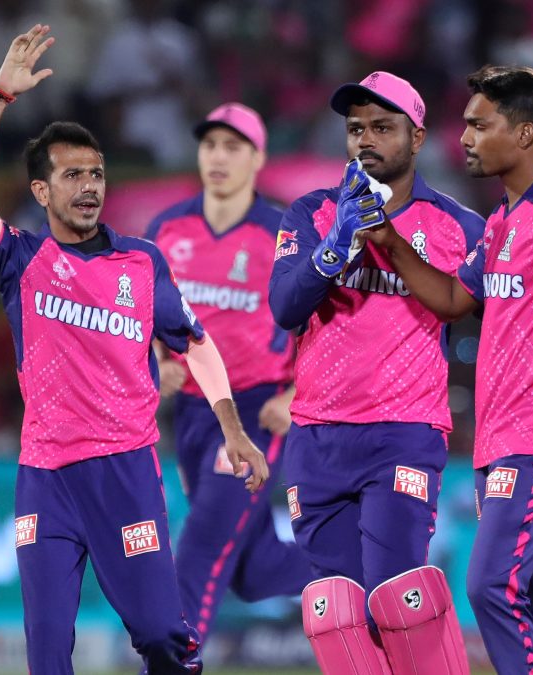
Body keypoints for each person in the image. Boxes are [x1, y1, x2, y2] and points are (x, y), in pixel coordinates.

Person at [0, 25, 268, 675]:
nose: (89, 185)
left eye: (96, 173)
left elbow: (197, 346)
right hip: (45, 478)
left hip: (125, 472)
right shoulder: (19, 260)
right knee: (47, 653)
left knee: (161, 636)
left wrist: (233, 428)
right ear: (41, 192)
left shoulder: (141, 263)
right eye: (72, 175)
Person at [361, 65, 533, 674]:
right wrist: (391, 242)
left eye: (479, 125)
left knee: (492, 585)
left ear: (523, 134)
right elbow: (453, 299)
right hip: (500, 439)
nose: (465, 138)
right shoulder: (503, 220)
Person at [268, 71, 483, 674]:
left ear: (417, 138)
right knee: (338, 617)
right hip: (317, 438)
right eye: (356, 128)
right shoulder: (311, 214)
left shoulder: (459, 227)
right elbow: (285, 307)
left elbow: (510, 328)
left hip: (403, 432)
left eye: (383, 128)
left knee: (398, 601)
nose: (366, 139)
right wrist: (334, 247)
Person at [144, 102, 312, 650]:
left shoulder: (284, 234)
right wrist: (158, 360)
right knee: (253, 571)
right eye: (210, 145)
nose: (218, 157)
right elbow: (140, 314)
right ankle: (363, 565)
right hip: (192, 413)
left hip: (257, 410)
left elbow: (327, 322)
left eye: (233, 147)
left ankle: (171, 661)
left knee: (199, 546)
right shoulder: (167, 229)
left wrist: (298, 393)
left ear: (258, 158)